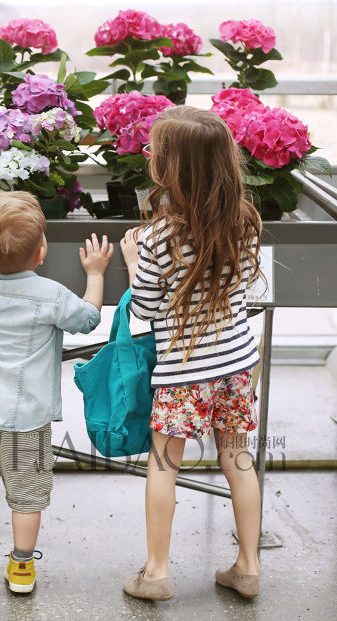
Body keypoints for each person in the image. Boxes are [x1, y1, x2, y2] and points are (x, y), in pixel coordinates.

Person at [0, 191, 113, 593]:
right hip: (28, 419)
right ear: (41, 252)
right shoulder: (50, 295)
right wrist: (96, 274)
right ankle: (22, 568)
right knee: (27, 496)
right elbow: (87, 319)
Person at [120, 105, 265, 601]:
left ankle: (156, 574)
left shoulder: (159, 236)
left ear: (169, 167)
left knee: (164, 466)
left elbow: (145, 308)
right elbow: (243, 284)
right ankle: (248, 567)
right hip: (236, 364)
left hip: (185, 371)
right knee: (238, 460)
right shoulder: (244, 221)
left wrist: (135, 262)